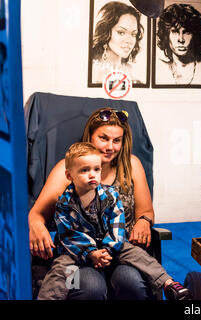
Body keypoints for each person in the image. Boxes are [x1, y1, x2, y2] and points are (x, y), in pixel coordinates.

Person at [29, 108, 163, 300]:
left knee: (132, 284)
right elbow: (37, 214)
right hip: (77, 255)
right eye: (103, 138)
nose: (110, 146)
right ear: (90, 137)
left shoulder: (132, 165)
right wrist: (36, 224)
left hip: (120, 251)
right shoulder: (67, 169)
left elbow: (146, 211)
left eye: (117, 140)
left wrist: (144, 221)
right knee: (90, 289)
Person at [37, 142, 191, 300]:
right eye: (85, 170)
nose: (92, 174)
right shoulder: (64, 203)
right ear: (70, 176)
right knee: (60, 269)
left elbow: (117, 227)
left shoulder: (110, 195)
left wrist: (107, 251)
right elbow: (69, 236)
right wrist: (91, 253)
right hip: (77, 252)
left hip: (110, 247)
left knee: (136, 254)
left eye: (96, 169)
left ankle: (169, 284)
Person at [91, 1, 144, 85]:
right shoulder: (92, 72)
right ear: (105, 32)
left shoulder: (134, 79)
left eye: (133, 34)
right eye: (121, 32)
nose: (129, 40)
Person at [155, 3, 201, 85]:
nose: (181, 39)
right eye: (175, 32)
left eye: (186, 32)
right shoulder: (159, 68)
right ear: (166, 35)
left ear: (195, 35)